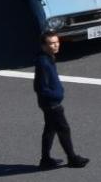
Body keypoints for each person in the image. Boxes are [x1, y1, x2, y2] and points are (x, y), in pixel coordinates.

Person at [34, 32, 86, 170]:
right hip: (52, 104)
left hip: (49, 103)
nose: (56, 45)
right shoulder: (43, 63)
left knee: (50, 129)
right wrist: (55, 96)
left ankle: (45, 159)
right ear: (44, 46)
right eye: (51, 43)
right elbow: (39, 87)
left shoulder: (48, 57)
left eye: (57, 42)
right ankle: (73, 158)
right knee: (64, 129)